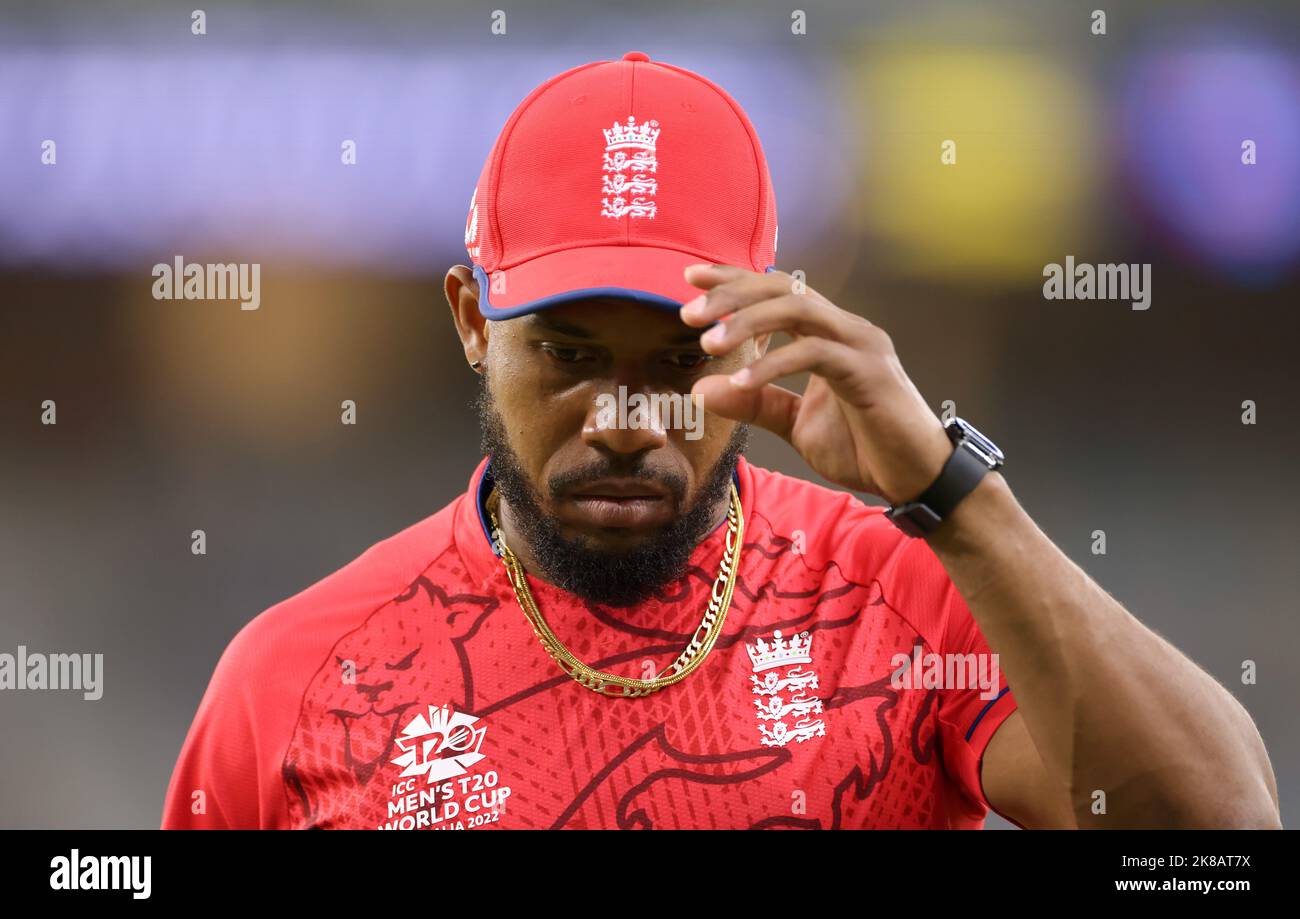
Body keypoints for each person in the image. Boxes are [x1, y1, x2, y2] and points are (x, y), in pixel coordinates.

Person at [162, 52, 1279, 830]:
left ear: (767, 331)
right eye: (565, 352)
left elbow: (1212, 836)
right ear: (470, 321)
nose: (622, 416)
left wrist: (954, 492)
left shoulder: (899, 589)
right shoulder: (296, 676)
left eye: (681, 358)